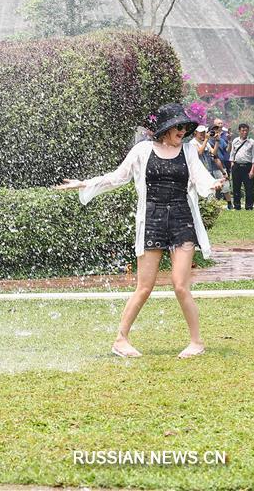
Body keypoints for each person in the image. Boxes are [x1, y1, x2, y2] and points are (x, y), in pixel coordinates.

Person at [55, 103, 224, 359]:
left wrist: (214, 185)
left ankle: (196, 342)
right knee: (144, 286)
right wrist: (84, 183)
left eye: (184, 127)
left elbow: (202, 179)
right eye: (177, 126)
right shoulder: (143, 150)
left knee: (180, 285)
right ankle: (120, 339)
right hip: (153, 220)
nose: (182, 131)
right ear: (165, 129)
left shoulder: (188, 151)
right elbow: (117, 177)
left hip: (181, 220)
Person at [228, 123, 254, 210]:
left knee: (249, 187)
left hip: (247, 166)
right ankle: (237, 206)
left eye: (246, 130)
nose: (244, 132)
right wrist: (232, 165)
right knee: (236, 187)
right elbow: (232, 154)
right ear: (239, 131)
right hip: (236, 166)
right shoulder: (235, 141)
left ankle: (249, 206)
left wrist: (252, 170)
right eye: (242, 131)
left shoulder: (252, 142)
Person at [207, 124, 233, 209]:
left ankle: (229, 204)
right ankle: (213, 206)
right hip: (211, 167)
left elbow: (228, 150)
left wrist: (229, 141)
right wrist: (216, 141)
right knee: (214, 187)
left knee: (225, 186)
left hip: (222, 166)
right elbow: (214, 155)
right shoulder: (208, 141)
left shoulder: (221, 140)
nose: (215, 132)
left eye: (217, 130)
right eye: (213, 130)